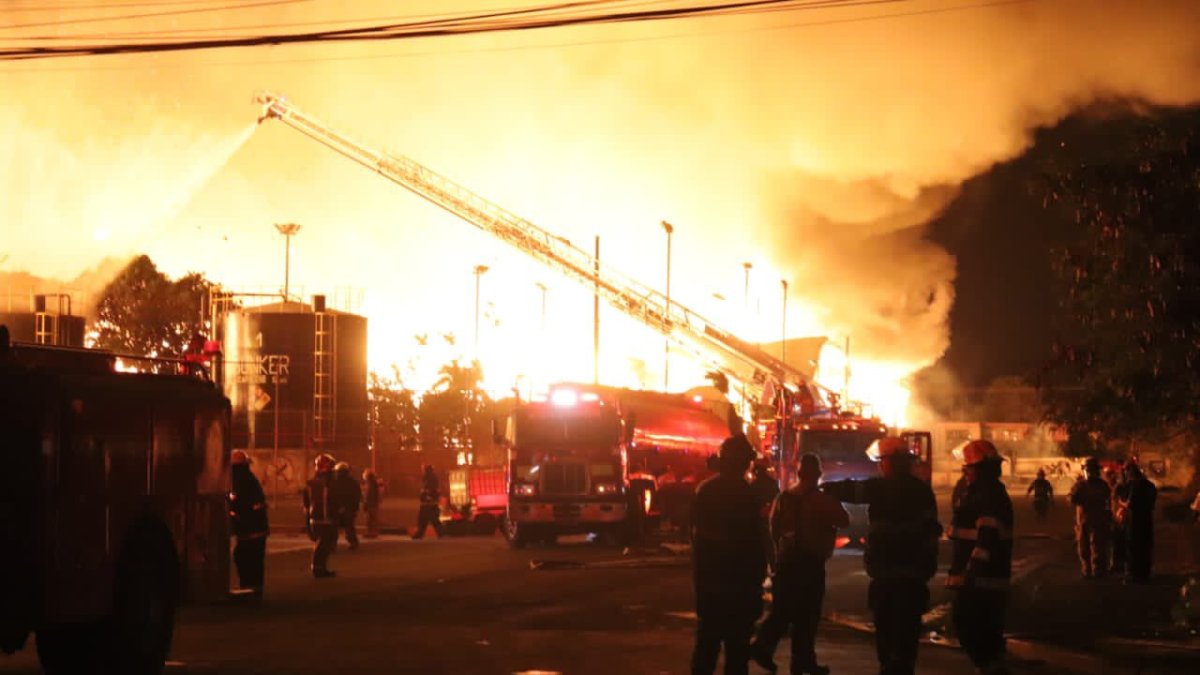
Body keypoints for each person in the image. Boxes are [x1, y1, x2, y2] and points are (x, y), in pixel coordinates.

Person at [822, 437, 941, 675]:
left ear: (890, 463)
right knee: (907, 634)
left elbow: (849, 490)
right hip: (914, 575)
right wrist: (927, 568)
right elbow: (931, 532)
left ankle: (890, 667)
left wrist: (820, 486)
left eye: (882, 461)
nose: (880, 466)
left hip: (886, 572)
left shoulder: (879, 488)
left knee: (886, 631)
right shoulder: (922, 491)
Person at [750, 453, 849, 675]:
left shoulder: (783, 498)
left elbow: (772, 527)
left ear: (799, 473)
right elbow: (845, 520)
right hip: (810, 563)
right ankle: (797, 659)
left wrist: (777, 557)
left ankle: (771, 650)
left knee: (783, 610)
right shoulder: (822, 500)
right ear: (818, 475)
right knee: (807, 615)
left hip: (787, 562)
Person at [690, 435, 766, 675]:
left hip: (712, 587)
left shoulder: (706, 491)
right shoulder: (749, 496)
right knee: (737, 655)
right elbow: (756, 547)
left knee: (706, 650)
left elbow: (698, 543)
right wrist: (756, 589)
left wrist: (701, 586)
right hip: (740, 590)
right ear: (746, 463)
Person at [947, 440, 1014, 675]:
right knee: (986, 631)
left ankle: (990, 669)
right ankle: (991, 667)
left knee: (969, 625)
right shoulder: (984, 491)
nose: (965, 471)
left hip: (979, 578)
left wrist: (971, 570)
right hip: (987, 576)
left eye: (968, 467)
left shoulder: (985, 494)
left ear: (978, 468)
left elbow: (987, 536)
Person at [228, 449, 269, 597]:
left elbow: (236, 502)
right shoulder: (247, 479)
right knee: (248, 559)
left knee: (246, 558)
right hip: (253, 528)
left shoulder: (241, 481)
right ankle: (252, 590)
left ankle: (252, 591)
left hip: (250, 529)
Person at [1069, 457, 1113, 579]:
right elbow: (1072, 499)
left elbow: (1108, 502)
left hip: (1097, 519)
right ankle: (1088, 570)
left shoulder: (1101, 485)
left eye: (1091, 470)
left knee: (1097, 545)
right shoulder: (1081, 485)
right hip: (1085, 520)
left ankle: (1097, 570)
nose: (1089, 472)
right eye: (1088, 470)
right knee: (1084, 546)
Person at [1117, 461, 1158, 583]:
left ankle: (1134, 575)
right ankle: (1145, 573)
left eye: (1125, 471)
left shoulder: (1135, 486)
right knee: (1145, 547)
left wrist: (1121, 502)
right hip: (1147, 520)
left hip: (1135, 521)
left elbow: (1130, 503)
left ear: (1129, 472)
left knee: (1133, 548)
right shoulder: (1150, 485)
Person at [303, 453, 340, 578]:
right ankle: (318, 568)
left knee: (324, 544)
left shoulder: (312, 483)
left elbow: (306, 503)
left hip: (317, 517)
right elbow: (333, 499)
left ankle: (321, 567)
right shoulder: (327, 483)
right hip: (325, 518)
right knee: (323, 544)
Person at [750, 463, 781, 573]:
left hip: (760, 521)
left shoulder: (753, 486)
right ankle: (774, 570)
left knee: (762, 547)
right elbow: (778, 500)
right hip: (770, 520)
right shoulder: (772, 483)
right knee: (770, 547)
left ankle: (763, 571)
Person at [333, 462, 362, 550]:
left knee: (334, 528)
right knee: (349, 527)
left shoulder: (334, 482)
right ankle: (353, 542)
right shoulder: (353, 482)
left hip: (337, 508)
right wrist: (355, 508)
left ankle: (332, 544)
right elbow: (357, 496)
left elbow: (332, 495)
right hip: (349, 508)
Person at [413, 465, 444, 540]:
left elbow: (430, 491)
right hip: (430, 503)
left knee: (425, 520)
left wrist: (427, 497)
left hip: (428, 504)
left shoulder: (429, 479)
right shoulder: (431, 478)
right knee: (433, 520)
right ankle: (441, 534)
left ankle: (420, 534)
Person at [362, 469, 383, 539]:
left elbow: (368, 495)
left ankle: (371, 532)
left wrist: (366, 503)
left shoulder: (370, 484)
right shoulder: (374, 484)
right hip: (373, 504)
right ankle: (372, 532)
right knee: (372, 519)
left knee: (370, 519)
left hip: (371, 504)